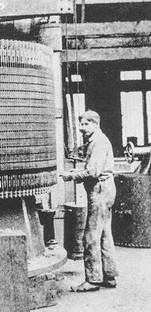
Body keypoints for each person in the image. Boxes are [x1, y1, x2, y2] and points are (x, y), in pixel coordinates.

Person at [62, 110, 118, 292]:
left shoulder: (99, 142)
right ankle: (109, 276)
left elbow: (93, 172)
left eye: (86, 124)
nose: (82, 128)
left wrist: (71, 176)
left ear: (95, 124)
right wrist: (75, 174)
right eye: (81, 124)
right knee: (104, 234)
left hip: (100, 191)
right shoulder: (96, 141)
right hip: (104, 189)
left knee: (90, 236)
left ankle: (93, 280)